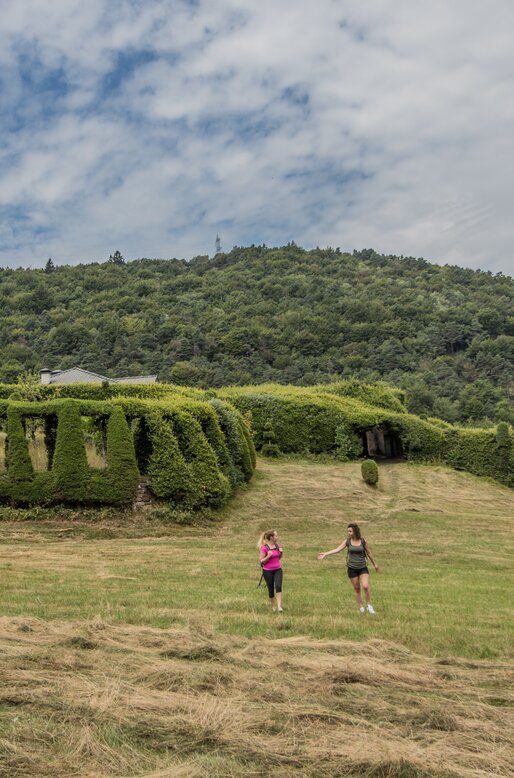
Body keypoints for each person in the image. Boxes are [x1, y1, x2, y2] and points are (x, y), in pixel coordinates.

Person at [317, 522, 379, 614]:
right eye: (348, 531)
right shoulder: (347, 541)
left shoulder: (362, 541)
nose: (348, 533)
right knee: (357, 589)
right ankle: (361, 607)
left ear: (355, 531)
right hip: (352, 569)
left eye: (350, 531)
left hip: (362, 567)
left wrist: (375, 564)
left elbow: (369, 553)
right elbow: (337, 549)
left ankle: (369, 606)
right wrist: (325, 554)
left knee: (365, 586)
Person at [258, 529, 284, 612]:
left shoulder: (277, 546)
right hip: (267, 571)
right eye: (276, 535)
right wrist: (268, 556)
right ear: (271, 537)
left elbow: (278, 558)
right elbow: (261, 561)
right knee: (271, 588)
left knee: (278, 586)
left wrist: (281, 553)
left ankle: (279, 607)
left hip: (278, 569)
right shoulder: (264, 548)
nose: (277, 537)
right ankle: (273, 607)